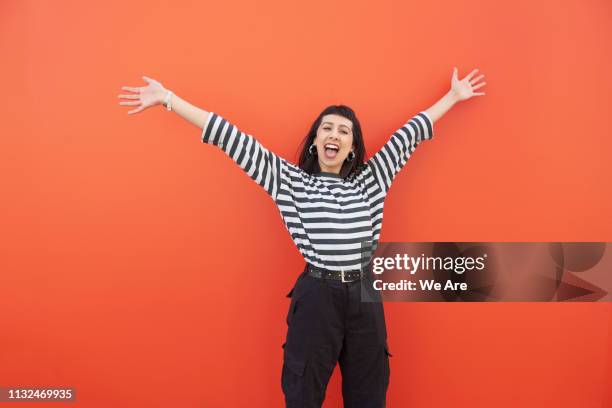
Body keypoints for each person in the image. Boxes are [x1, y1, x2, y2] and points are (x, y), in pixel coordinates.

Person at [117, 67, 486, 407]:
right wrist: (168, 99)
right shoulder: (291, 183)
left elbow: (410, 133)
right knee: (303, 391)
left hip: (364, 295)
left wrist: (453, 97)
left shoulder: (372, 180)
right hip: (317, 297)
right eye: (327, 128)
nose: (334, 135)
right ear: (315, 141)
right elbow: (232, 138)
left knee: (370, 392)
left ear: (352, 148)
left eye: (344, 131)